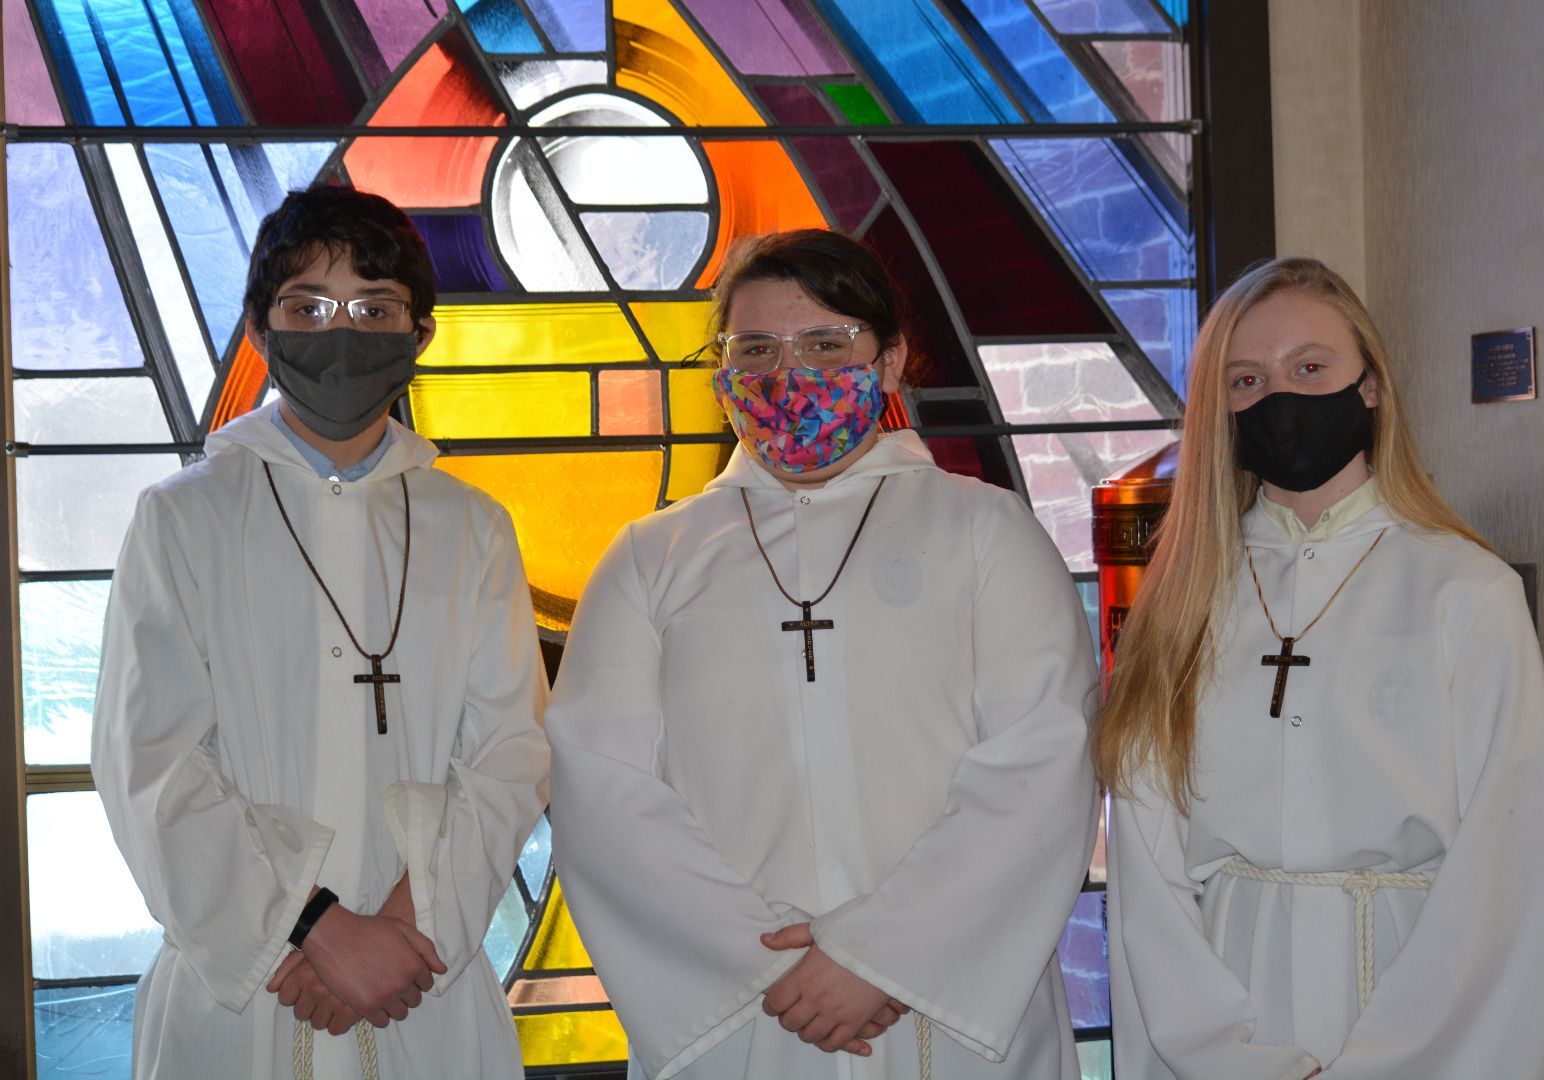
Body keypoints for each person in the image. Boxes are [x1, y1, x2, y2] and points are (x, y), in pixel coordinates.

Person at [545, 229, 1096, 1079]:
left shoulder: (988, 533)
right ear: (720, 373)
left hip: (948, 1010)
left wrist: (884, 954)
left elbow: (1044, 762)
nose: (787, 375)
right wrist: (772, 967)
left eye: (825, 345)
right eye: (755, 348)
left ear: (889, 361)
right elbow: (602, 790)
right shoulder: (650, 558)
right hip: (750, 1017)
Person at [92, 184, 549, 1080]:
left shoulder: (472, 525)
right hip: (246, 992)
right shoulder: (184, 518)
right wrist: (310, 928)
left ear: (419, 336)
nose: (341, 331)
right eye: (308, 306)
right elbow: (149, 761)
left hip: (422, 976)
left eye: (374, 308)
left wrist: (408, 927)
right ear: (261, 331)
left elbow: (511, 753)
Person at [1096, 257, 1544, 1079]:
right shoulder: (1179, 605)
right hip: (1226, 1007)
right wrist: (1228, 1059)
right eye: (1246, 380)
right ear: (1219, 409)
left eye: (1311, 368)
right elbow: (1146, 870)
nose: (1278, 397)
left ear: (1372, 386)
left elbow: (1506, 873)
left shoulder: (1465, 592)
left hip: (1415, 1001)